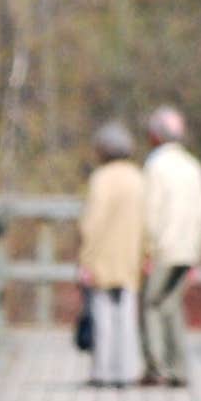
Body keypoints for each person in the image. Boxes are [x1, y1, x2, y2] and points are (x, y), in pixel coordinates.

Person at [140, 105, 201, 387]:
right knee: (172, 305)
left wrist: (146, 250)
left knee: (151, 305)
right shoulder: (193, 166)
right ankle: (178, 367)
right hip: (187, 249)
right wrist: (197, 254)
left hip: (163, 248)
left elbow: (150, 211)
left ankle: (157, 367)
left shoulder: (156, 166)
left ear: (157, 135)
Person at [77, 119, 145, 387]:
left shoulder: (101, 179)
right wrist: (147, 252)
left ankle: (103, 371)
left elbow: (92, 223)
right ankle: (126, 371)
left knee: (102, 316)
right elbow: (147, 220)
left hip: (103, 257)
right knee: (126, 316)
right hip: (130, 255)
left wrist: (85, 258)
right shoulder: (138, 178)